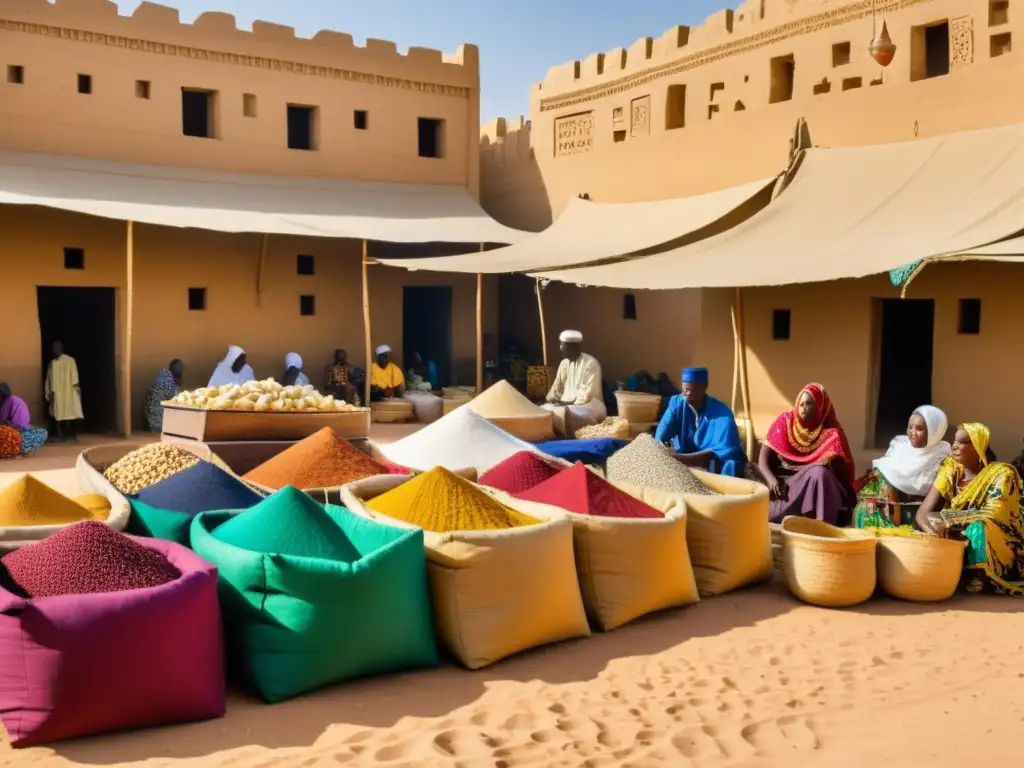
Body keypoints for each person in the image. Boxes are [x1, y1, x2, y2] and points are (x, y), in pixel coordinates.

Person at [916, 423, 1024, 595]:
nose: (955, 446)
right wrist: (934, 532)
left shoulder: (1002, 474)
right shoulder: (950, 470)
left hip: (999, 539)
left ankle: (979, 576)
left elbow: (994, 514)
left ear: (978, 447)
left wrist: (950, 521)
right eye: (954, 441)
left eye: (963, 442)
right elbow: (923, 512)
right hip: (956, 528)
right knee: (929, 524)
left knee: (979, 527)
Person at [759, 383, 856, 525]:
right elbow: (763, 459)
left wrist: (849, 500)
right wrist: (771, 479)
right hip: (786, 488)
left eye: (809, 404)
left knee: (819, 473)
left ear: (820, 406)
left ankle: (821, 525)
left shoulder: (832, 433)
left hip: (817, 487)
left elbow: (842, 474)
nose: (804, 408)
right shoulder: (784, 423)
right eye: (801, 404)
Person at [852, 405, 950, 528]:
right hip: (888, 516)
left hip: (924, 521)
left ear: (934, 431)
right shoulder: (899, 448)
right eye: (910, 427)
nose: (912, 433)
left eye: (919, 429)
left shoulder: (943, 456)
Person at [654, 367, 745, 477]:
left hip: (717, 469)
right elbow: (660, 436)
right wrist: (661, 450)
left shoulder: (723, 415)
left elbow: (715, 454)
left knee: (731, 465)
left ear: (704, 386)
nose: (686, 394)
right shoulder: (678, 404)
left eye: (691, 389)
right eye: (684, 390)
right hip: (684, 463)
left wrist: (675, 458)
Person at [542, 330, 606, 437]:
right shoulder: (564, 363)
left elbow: (587, 395)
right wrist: (551, 399)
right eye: (561, 344)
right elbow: (557, 389)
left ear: (575, 347)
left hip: (589, 406)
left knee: (566, 413)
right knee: (544, 409)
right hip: (566, 405)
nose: (561, 348)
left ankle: (564, 434)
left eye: (564, 345)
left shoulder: (591, 363)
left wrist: (566, 404)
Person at [44, 340, 83, 442]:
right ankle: (64, 435)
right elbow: (50, 380)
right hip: (62, 393)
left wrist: (77, 390)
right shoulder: (54, 363)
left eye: (56, 347)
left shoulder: (67, 361)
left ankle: (70, 435)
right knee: (64, 413)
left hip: (65, 392)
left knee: (65, 413)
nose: (54, 349)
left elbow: (74, 379)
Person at [0, 382, 47, 455]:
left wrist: (7, 425)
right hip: (10, 434)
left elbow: (19, 427)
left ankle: (13, 449)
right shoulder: (8, 402)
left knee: (41, 432)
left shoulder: (12, 402)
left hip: (15, 432)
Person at [145, 360, 184, 433]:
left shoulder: (161, 375)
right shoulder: (166, 380)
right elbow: (174, 401)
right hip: (157, 423)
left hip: (151, 420)